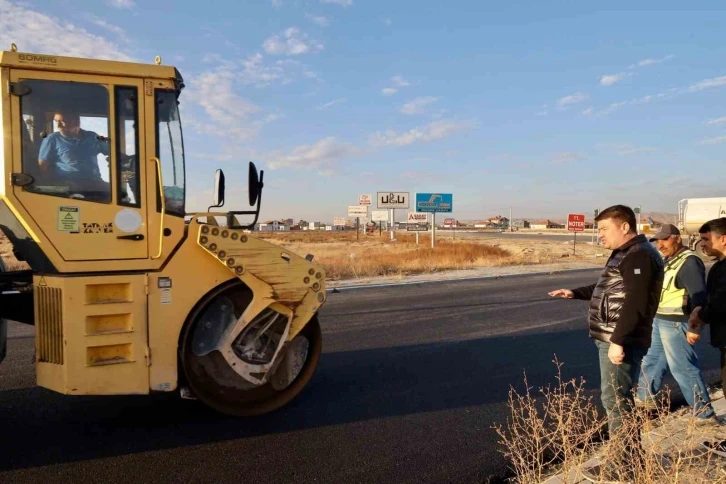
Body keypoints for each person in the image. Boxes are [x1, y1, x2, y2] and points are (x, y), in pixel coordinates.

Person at [548, 204, 664, 482]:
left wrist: (618, 341)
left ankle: (623, 466)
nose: (598, 234)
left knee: (616, 401)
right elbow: (612, 289)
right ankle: (631, 460)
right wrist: (575, 292)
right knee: (617, 399)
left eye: (603, 229)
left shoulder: (639, 256)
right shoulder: (627, 253)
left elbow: (635, 303)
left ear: (624, 227)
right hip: (616, 337)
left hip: (620, 340)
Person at [633, 224, 717, 423]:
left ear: (677, 238)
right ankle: (645, 400)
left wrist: (695, 326)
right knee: (651, 360)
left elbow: (699, 296)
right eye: (658, 241)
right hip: (661, 319)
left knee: (683, 368)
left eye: (665, 239)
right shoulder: (671, 259)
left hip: (678, 323)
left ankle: (704, 415)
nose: (660, 244)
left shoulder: (689, 262)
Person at [688, 217, 726, 391]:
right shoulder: (719, 266)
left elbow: (721, 302)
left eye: (705, 239)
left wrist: (699, 317)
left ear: (723, 239)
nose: (701, 244)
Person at [37, 110, 110, 199]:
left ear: (76, 122)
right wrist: (52, 184)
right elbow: (43, 165)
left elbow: (112, 153)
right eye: (56, 121)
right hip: (67, 183)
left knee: (118, 193)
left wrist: (128, 160)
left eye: (62, 122)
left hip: (94, 182)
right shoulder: (52, 139)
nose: (58, 126)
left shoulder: (92, 136)